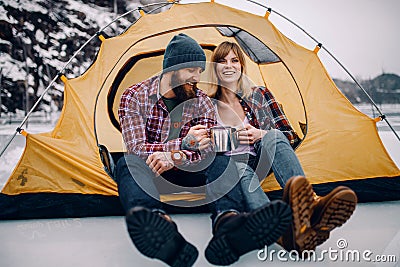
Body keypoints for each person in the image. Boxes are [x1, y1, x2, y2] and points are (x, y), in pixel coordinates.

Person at [117, 33, 292, 267]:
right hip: (152, 171)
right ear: (174, 68)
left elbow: (206, 149)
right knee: (127, 163)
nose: (197, 77)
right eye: (192, 70)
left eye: (200, 71)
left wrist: (177, 155)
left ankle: (228, 222)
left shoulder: (202, 101)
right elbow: (136, 148)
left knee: (221, 160)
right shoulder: (135, 96)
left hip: (191, 169)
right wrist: (179, 146)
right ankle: (159, 227)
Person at [207, 41, 358, 255]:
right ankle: (281, 231)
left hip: (261, 157)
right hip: (232, 166)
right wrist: (231, 138)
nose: (228, 66)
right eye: (222, 61)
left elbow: (288, 135)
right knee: (239, 169)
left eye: (234, 60)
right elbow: (204, 149)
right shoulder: (206, 104)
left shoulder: (260, 94)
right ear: (215, 68)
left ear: (242, 66)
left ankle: (311, 205)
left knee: (275, 135)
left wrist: (261, 134)